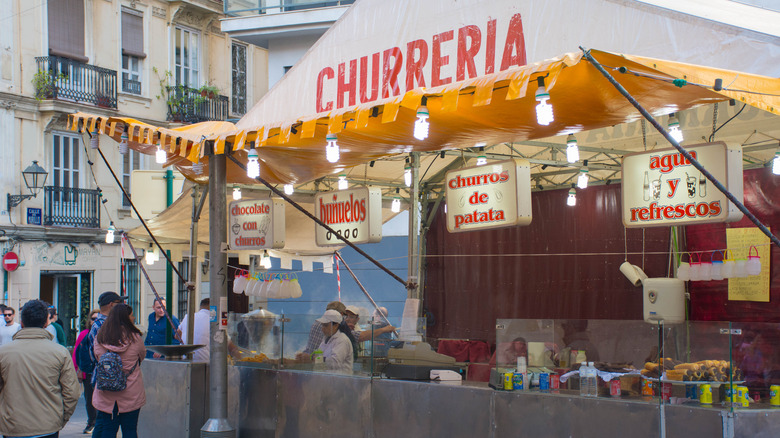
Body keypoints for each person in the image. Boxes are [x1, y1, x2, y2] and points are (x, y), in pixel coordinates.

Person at [0, 299, 80, 438]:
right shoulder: (60, 352)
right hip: (48, 425)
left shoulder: (3, 352)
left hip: (13, 426)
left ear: (22, 323)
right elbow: (72, 393)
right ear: (45, 323)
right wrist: (60, 419)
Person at [92, 303, 146, 438]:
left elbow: (98, 357)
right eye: (131, 315)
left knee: (108, 430)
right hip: (131, 392)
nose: (133, 318)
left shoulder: (101, 336)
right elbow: (142, 356)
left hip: (106, 392)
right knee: (130, 430)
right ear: (125, 318)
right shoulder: (135, 337)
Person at [73, 309, 100, 434]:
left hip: (101, 372)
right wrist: (78, 369)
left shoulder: (105, 333)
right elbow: (76, 353)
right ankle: (91, 422)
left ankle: (99, 422)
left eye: (97, 318)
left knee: (101, 399)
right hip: (87, 371)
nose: (95, 321)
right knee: (89, 399)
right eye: (93, 318)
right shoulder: (84, 334)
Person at [316, 309, 354, 374]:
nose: (322, 328)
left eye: (325, 325)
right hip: (328, 380)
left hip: (341, 382)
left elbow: (335, 363)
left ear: (336, 325)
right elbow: (319, 355)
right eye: (322, 325)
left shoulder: (342, 340)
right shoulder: (325, 339)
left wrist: (315, 359)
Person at [179, 298, 212, 362]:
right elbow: (230, 346)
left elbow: (177, 335)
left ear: (200, 308)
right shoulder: (213, 321)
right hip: (205, 362)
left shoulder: (187, 317)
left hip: (185, 360)